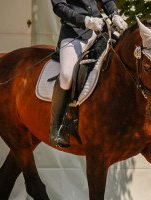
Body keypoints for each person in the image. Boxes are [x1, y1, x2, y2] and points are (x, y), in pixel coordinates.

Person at [50, 0, 128, 148]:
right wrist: (85, 20)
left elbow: (106, 1)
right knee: (66, 76)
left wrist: (114, 14)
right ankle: (56, 127)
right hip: (74, 33)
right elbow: (59, 7)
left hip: (100, 30)